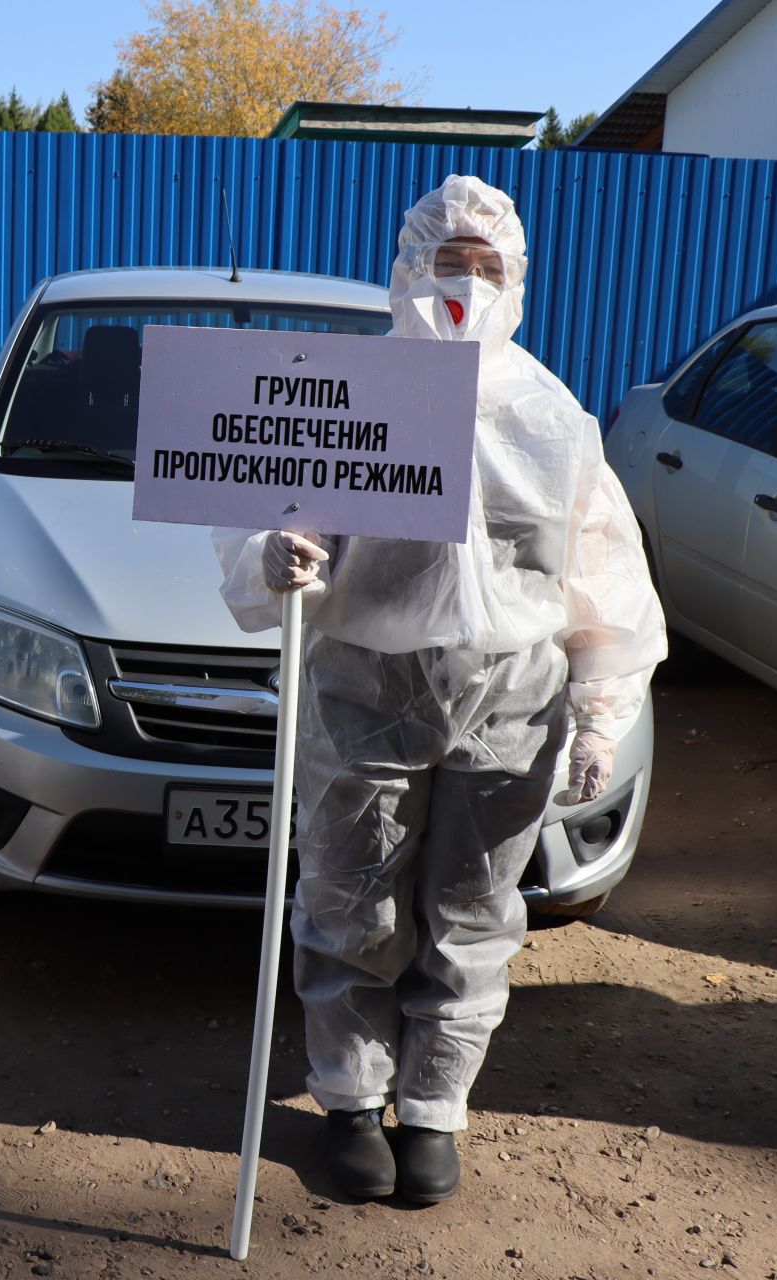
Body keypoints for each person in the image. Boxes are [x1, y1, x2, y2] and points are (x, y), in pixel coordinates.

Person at [214, 174, 665, 1204]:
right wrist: (274, 556)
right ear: (406, 268)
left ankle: (432, 1106)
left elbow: (600, 573)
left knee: (473, 908)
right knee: (351, 900)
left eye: (486, 264)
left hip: (510, 699)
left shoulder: (554, 420)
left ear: (518, 279)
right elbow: (262, 515)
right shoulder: (344, 391)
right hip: (364, 688)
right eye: (446, 261)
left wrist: (602, 709)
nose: (465, 282)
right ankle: (351, 1099)